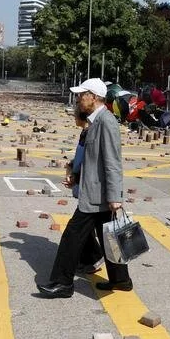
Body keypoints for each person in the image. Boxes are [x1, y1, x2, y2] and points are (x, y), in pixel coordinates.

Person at [37, 78, 129, 298]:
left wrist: (115, 196)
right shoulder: (94, 121)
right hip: (95, 192)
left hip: (98, 195)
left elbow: (112, 162)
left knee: (71, 236)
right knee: (109, 239)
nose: (78, 98)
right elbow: (92, 160)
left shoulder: (106, 122)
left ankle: (63, 284)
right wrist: (76, 177)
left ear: (94, 97)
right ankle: (121, 280)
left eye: (82, 94)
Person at [65, 104, 104, 274]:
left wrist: (74, 173)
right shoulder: (84, 132)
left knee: (79, 226)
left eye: (74, 115)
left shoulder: (88, 133)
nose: (73, 117)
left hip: (88, 186)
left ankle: (94, 257)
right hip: (84, 183)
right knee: (87, 225)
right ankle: (92, 258)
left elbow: (85, 160)